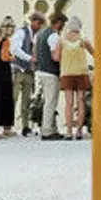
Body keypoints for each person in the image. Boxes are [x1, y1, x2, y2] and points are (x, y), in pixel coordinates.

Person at [59, 17, 95, 140]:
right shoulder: (83, 40)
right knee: (81, 103)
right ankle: (79, 131)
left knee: (68, 103)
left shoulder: (62, 40)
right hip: (81, 73)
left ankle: (69, 132)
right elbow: (95, 53)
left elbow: (57, 57)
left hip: (67, 73)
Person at [11, 11, 44, 138]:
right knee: (13, 99)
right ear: (33, 21)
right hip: (18, 70)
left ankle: (25, 127)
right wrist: (29, 58)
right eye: (39, 23)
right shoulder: (21, 32)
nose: (40, 26)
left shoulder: (36, 36)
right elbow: (15, 49)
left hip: (29, 72)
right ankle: (8, 126)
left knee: (26, 101)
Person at [36, 9, 65, 139]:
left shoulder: (41, 33)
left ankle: (52, 129)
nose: (63, 26)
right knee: (50, 102)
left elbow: (36, 52)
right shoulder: (54, 36)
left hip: (41, 71)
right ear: (58, 22)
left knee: (48, 101)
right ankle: (47, 131)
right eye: (63, 23)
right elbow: (55, 57)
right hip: (50, 72)